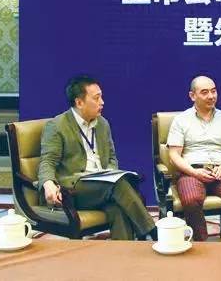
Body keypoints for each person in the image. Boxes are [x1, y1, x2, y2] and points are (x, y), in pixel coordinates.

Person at [38, 75, 156, 240]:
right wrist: (48, 183)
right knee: (118, 185)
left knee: (118, 207)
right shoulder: (57, 125)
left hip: (102, 185)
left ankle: (123, 251)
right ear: (79, 102)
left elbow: (112, 158)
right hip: (74, 188)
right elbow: (48, 161)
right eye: (96, 98)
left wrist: (110, 174)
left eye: (101, 97)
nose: (102, 102)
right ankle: (153, 231)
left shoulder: (102, 123)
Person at [166, 76, 221, 242]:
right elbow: (174, 155)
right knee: (191, 199)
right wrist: (194, 172)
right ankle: (202, 242)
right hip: (192, 172)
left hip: (219, 172)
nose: (211, 96)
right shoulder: (181, 120)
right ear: (192, 96)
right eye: (204, 92)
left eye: (213, 91)